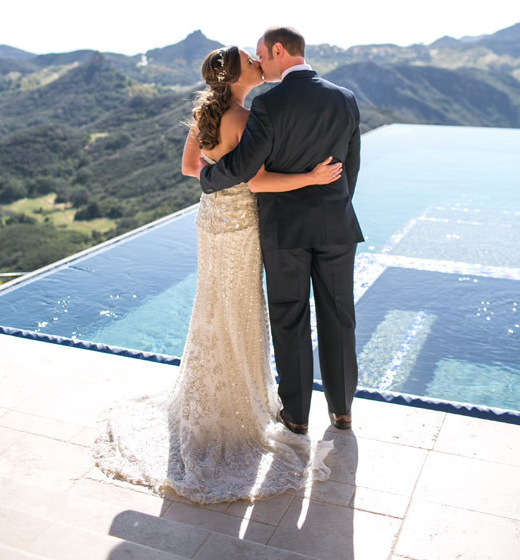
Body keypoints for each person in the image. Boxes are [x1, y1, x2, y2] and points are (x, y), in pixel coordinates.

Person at [92, 44, 341, 504]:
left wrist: (219, 172)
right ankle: (234, 404)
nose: (258, 64)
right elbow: (259, 181)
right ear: (237, 75)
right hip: (242, 224)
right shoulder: (247, 118)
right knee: (241, 308)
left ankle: (206, 398)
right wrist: (312, 178)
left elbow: (190, 167)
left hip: (211, 220)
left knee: (214, 305)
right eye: (251, 61)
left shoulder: (206, 113)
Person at [200, 27, 364, 434]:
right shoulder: (345, 98)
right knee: (339, 317)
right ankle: (342, 411)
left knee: (290, 320)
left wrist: (206, 178)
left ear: (278, 50)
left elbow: (243, 167)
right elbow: (352, 167)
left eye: (261, 56)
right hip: (336, 226)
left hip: (284, 230)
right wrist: (335, 207)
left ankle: (297, 416)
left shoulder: (268, 103)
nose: (260, 65)